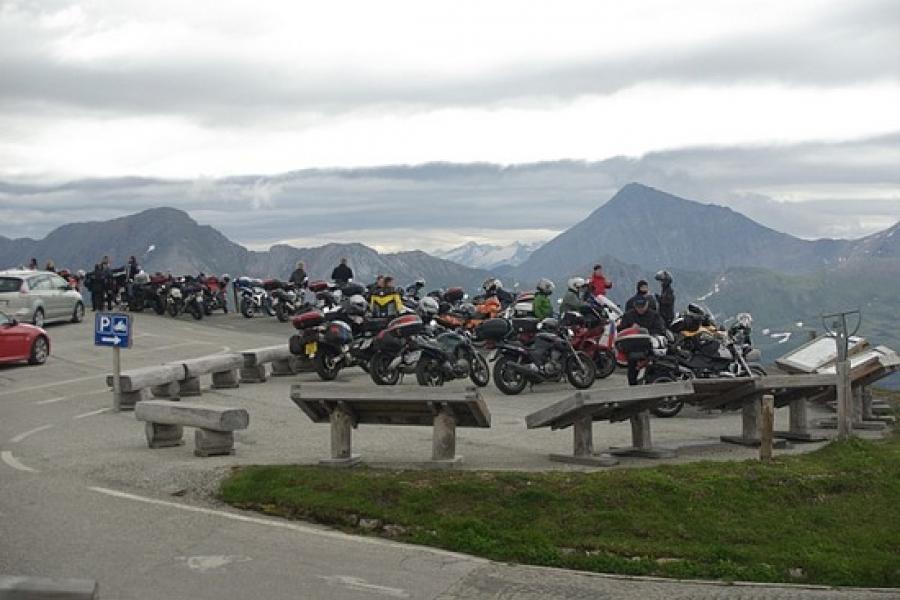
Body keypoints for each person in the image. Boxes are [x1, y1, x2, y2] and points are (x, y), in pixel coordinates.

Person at [619, 295, 668, 385]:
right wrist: (631, 329)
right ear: (634, 305)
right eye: (638, 307)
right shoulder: (628, 315)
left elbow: (660, 330)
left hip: (649, 347)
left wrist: (644, 330)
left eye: (643, 306)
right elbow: (621, 330)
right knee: (632, 371)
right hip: (633, 348)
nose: (640, 309)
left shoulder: (654, 315)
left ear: (647, 304)